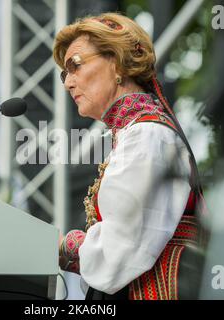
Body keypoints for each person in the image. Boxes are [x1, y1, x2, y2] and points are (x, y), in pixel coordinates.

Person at [53, 12, 206, 300]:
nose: (68, 83)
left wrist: (66, 247)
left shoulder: (147, 134)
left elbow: (121, 248)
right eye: (65, 73)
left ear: (117, 62)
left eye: (75, 65)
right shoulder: (138, 132)